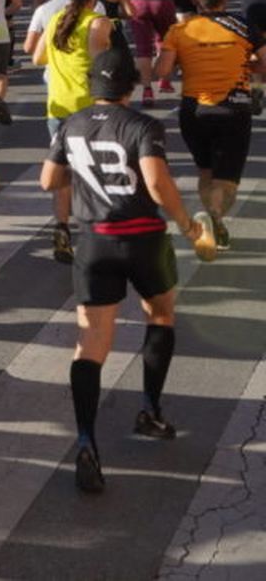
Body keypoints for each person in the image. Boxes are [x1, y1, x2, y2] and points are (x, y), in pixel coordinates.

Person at [40, 47, 208, 494]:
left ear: (94, 85)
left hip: (95, 241)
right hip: (144, 239)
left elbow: (48, 181)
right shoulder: (143, 126)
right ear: (130, 86)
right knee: (161, 315)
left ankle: (86, 439)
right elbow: (156, 183)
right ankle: (150, 409)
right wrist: (189, 226)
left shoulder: (73, 124)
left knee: (90, 344)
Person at [154, 0, 264, 252]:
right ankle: (215, 216)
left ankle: (213, 224)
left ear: (194, 1)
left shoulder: (180, 30)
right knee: (226, 178)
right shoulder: (243, 26)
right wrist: (246, 67)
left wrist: (175, 56)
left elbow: (162, 72)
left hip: (194, 111)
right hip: (232, 109)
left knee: (206, 170)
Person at [33, 0, 115, 264]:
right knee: (94, 172)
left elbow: (36, 58)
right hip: (89, 107)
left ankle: (62, 228)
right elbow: (101, 61)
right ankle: (95, 233)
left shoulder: (55, 19)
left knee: (64, 174)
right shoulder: (98, 22)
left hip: (57, 107)